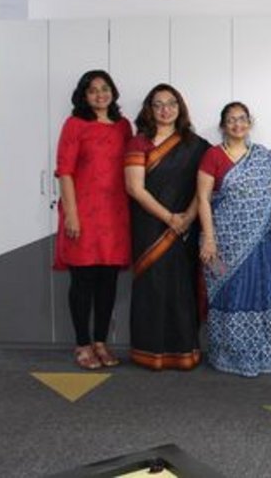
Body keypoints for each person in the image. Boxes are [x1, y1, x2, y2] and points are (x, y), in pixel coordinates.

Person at [196, 102, 271, 377]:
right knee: (230, 294)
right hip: (224, 243)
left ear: (249, 122)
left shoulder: (261, 155)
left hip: (260, 241)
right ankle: (230, 354)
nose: (237, 124)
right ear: (223, 125)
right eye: (231, 120)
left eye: (242, 119)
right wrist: (209, 239)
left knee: (260, 292)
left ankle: (263, 352)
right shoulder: (213, 156)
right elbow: (203, 199)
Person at [124, 84, 209, 370]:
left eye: (171, 103)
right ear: (149, 109)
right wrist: (170, 218)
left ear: (179, 107)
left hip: (186, 228)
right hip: (149, 227)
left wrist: (187, 217)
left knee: (182, 286)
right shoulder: (139, 143)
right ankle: (149, 352)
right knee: (153, 286)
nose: (165, 110)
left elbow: (204, 187)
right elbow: (135, 189)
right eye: (158, 104)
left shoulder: (195, 144)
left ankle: (184, 351)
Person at [54, 70, 133, 369]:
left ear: (113, 91)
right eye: (93, 90)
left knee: (108, 281)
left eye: (105, 88)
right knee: (83, 281)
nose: (100, 94)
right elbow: (65, 171)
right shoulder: (75, 124)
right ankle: (83, 344)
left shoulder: (124, 126)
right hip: (83, 213)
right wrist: (72, 215)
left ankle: (101, 342)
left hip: (115, 214)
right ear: (84, 96)